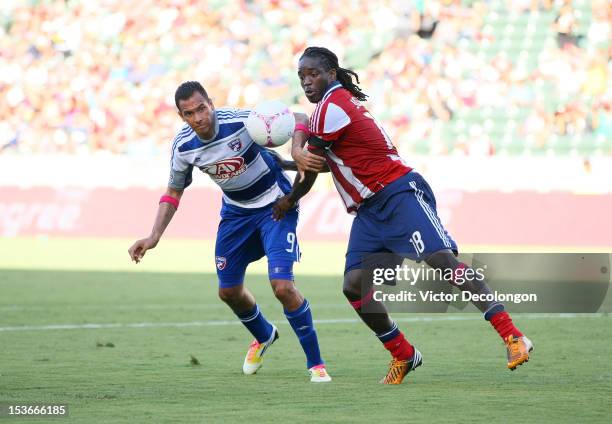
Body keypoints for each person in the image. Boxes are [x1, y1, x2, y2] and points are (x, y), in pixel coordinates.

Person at [273, 47, 533, 384]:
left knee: (442, 262)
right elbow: (323, 163)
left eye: (313, 74)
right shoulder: (329, 110)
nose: (307, 82)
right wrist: (292, 158)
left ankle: (513, 335)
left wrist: (289, 193)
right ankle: (403, 354)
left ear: (332, 75)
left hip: (397, 193)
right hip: (369, 210)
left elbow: (309, 169)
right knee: (354, 286)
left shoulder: (332, 106)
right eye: (302, 77)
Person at [128, 81, 331, 383]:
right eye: (189, 113)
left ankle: (316, 365)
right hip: (236, 214)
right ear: (181, 116)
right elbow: (173, 192)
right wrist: (153, 235)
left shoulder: (241, 121)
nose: (198, 117)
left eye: (201, 108)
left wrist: (297, 151)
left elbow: (298, 118)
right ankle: (264, 336)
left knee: (283, 287)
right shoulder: (184, 147)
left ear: (210, 103)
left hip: (276, 206)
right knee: (228, 291)